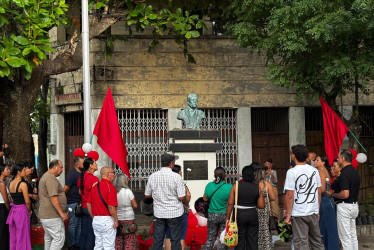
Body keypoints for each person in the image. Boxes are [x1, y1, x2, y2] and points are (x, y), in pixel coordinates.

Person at [284, 144, 324, 250]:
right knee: (317, 242)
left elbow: (289, 195)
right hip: (313, 211)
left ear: (294, 156)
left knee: (301, 243)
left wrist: (288, 215)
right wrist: (317, 210)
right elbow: (319, 192)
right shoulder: (314, 171)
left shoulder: (291, 172)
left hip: (299, 213)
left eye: (291, 153)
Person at [144, 153, 186, 250]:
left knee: (158, 240)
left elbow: (147, 195)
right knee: (175, 240)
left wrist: (156, 196)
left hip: (159, 213)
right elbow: (181, 197)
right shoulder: (177, 177)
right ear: (172, 164)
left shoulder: (152, 176)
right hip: (174, 213)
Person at [326, 149, 360, 250]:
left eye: (339, 158)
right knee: (353, 235)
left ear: (343, 159)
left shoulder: (344, 173)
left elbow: (345, 194)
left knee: (345, 237)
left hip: (345, 206)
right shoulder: (355, 172)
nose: (337, 159)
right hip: (354, 206)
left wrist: (333, 195)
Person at [226, 163, 265, 249]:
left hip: (239, 215)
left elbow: (230, 203)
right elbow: (262, 205)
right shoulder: (257, 187)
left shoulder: (235, 186)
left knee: (239, 240)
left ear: (243, 175)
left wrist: (228, 218)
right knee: (252, 240)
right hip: (252, 214)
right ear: (253, 175)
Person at [38, 160, 68, 250]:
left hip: (47, 215)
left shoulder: (47, 176)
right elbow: (53, 197)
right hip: (52, 215)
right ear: (55, 167)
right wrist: (61, 213)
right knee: (58, 239)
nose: (62, 170)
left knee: (49, 239)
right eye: (61, 167)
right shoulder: (50, 178)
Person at [87, 166, 118, 249]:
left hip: (96, 219)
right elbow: (111, 206)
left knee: (98, 245)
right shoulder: (110, 187)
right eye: (113, 173)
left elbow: (88, 204)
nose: (114, 175)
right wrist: (116, 220)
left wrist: (93, 216)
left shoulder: (95, 187)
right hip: (107, 220)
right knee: (109, 246)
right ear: (109, 174)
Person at [202, 167, 231, 250]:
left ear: (215, 175)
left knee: (211, 238)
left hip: (212, 215)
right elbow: (231, 201)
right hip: (225, 215)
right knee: (223, 238)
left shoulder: (209, 185)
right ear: (224, 176)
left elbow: (204, 199)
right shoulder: (229, 187)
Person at [314, 155, 340, 250]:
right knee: (330, 228)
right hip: (329, 202)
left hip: (324, 202)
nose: (315, 162)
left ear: (323, 163)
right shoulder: (326, 172)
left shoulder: (321, 172)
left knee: (325, 228)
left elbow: (322, 190)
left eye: (317, 160)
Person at [165, 164, 191, 250]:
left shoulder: (167, 182)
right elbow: (188, 195)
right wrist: (186, 204)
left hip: (169, 211)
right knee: (181, 235)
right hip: (181, 211)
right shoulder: (181, 183)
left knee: (168, 235)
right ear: (179, 172)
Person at [7, 164, 32, 250]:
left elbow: (11, 198)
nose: (25, 172)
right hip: (22, 211)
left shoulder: (10, 183)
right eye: (24, 171)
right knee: (23, 235)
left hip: (13, 211)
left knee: (14, 236)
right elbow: (27, 201)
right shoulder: (22, 184)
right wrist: (29, 211)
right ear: (18, 172)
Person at [78, 157, 99, 250]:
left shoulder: (81, 178)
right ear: (90, 166)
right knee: (91, 233)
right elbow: (97, 194)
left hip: (83, 207)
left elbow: (80, 192)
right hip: (91, 208)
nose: (96, 164)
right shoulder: (93, 179)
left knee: (83, 232)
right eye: (95, 163)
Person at [254, 162, 275, 250]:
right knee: (265, 228)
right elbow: (273, 198)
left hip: (255, 209)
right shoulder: (266, 184)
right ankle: (266, 246)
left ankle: (257, 246)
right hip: (265, 209)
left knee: (256, 229)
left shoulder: (253, 184)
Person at [64, 155, 84, 250]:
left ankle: (77, 242)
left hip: (80, 203)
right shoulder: (72, 174)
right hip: (72, 203)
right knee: (73, 224)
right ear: (77, 164)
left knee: (79, 224)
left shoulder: (82, 173)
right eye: (83, 163)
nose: (84, 165)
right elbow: (65, 189)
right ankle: (71, 244)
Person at [114, 173, 138, 250]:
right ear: (124, 181)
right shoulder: (128, 191)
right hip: (128, 219)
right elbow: (135, 205)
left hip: (118, 219)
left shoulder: (114, 192)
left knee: (118, 239)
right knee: (129, 238)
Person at [0, 164, 10, 249]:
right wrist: (9, 209)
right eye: (7, 169)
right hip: (3, 208)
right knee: (3, 231)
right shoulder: (1, 184)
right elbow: (6, 200)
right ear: (2, 172)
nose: (9, 171)